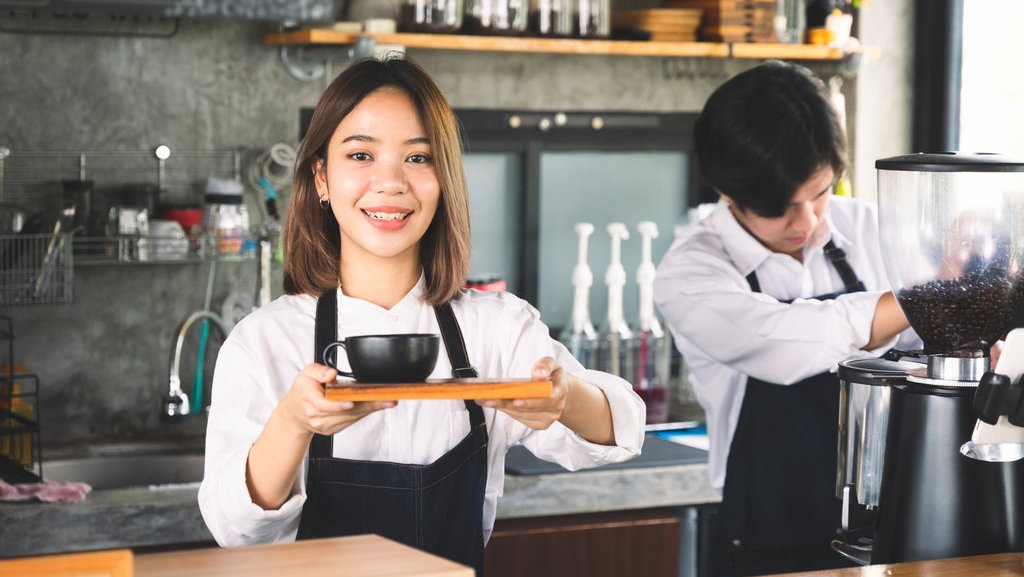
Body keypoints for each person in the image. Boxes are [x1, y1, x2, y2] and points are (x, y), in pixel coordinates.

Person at [197, 55, 645, 575]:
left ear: (444, 179)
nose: (390, 183)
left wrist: (565, 399)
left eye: (418, 158)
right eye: (361, 155)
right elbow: (232, 529)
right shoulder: (265, 342)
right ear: (320, 177)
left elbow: (625, 426)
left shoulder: (495, 327)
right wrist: (294, 423)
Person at [652, 60, 919, 577]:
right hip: (771, 539)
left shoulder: (874, 229)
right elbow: (784, 344)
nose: (808, 221)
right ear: (727, 193)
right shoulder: (690, 273)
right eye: (781, 208)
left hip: (898, 526)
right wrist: (920, 299)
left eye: (820, 193)